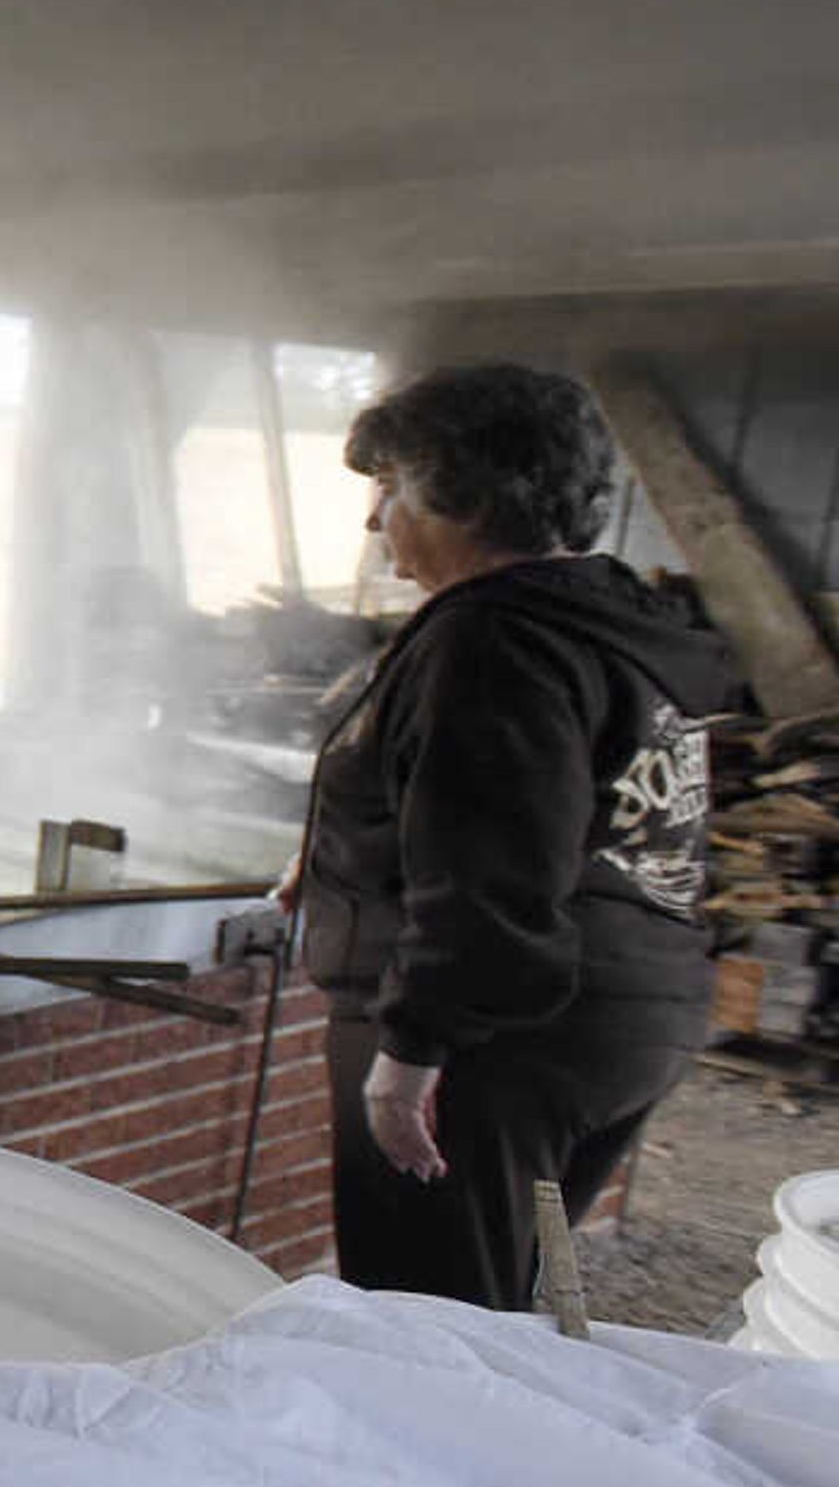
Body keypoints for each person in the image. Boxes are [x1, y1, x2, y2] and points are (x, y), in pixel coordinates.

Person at [286, 363, 738, 1310]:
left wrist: (410, 1061)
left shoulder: (492, 643)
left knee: (427, 1317)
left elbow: (493, 879)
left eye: (391, 488)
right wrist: (339, 860)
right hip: (626, 1009)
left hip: (496, 1042)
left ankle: (422, 1459)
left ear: (466, 492)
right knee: (490, 1296)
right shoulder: (605, 615)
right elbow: (566, 809)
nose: (375, 521)